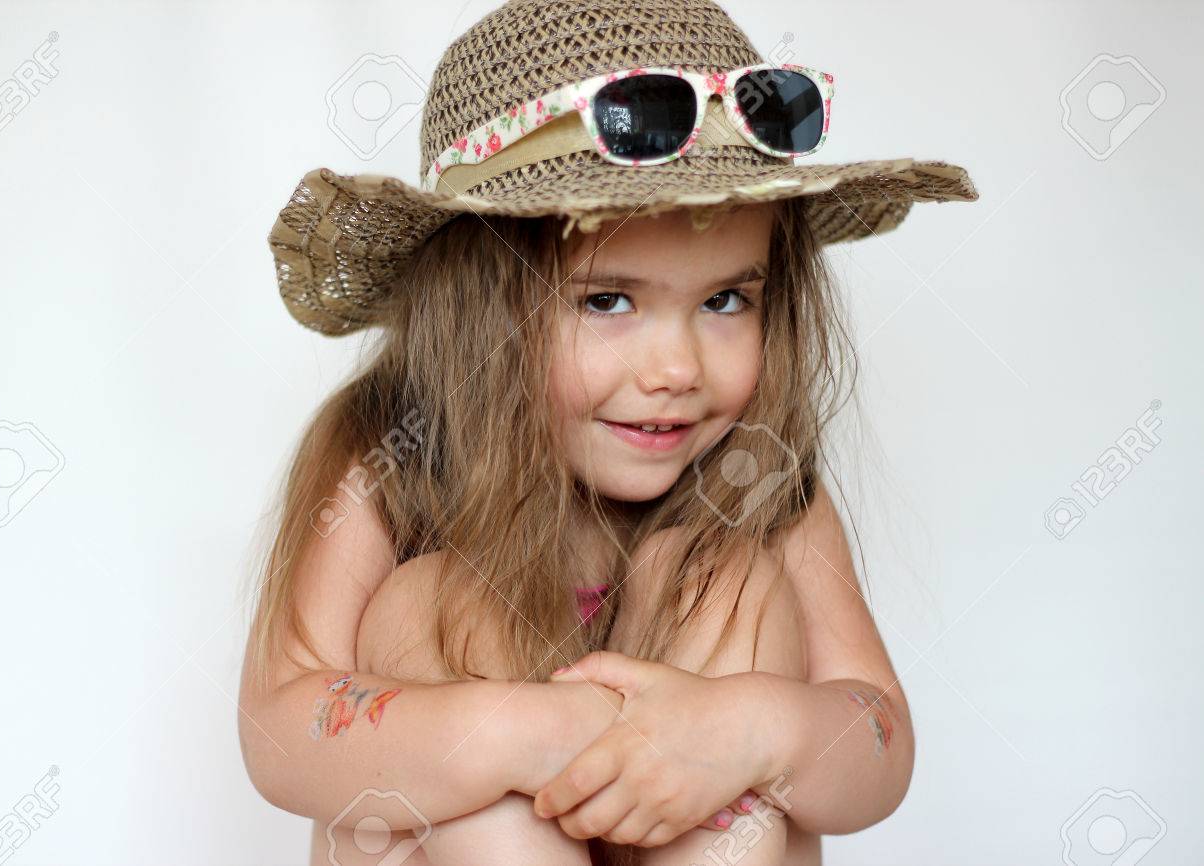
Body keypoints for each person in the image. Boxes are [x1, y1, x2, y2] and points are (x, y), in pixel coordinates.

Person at [239, 1, 978, 864]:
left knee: (725, 579)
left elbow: (878, 741)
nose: (677, 368)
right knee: (431, 602)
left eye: (726, 299)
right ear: (479, 310)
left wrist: (748, 732)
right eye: (607, 300)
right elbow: (282, 729)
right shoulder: (394, 458)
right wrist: (518, 733)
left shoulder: (759, 478)